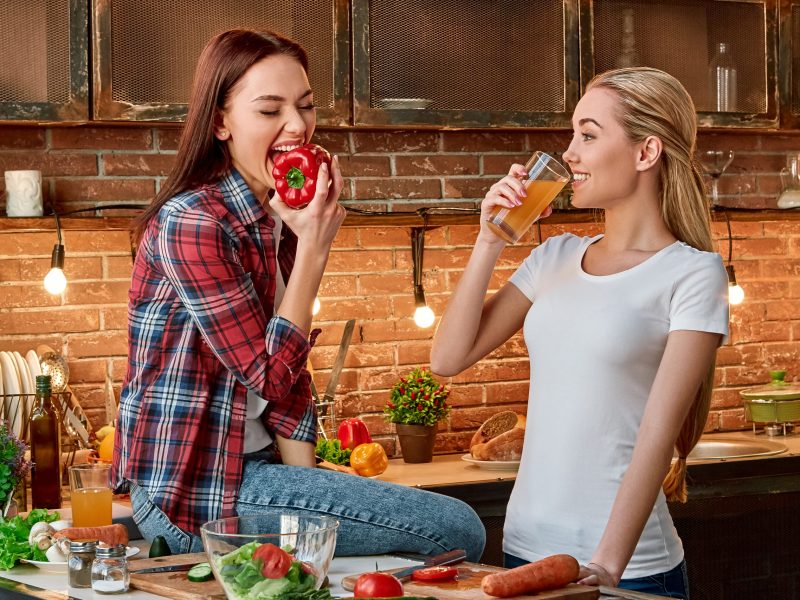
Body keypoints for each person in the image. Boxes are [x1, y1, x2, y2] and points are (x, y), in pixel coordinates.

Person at [113, 28, 485, 561]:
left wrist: (315, 503)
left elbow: (287, 389)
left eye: (305, 106)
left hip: (256, 472)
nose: (297, 126)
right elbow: (267, 372)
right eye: (270, 111)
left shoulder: (275, 216)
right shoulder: (192, 222)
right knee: (456, 528)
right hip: (196, 494)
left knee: (407, 544)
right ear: (220, 122)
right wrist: (315, 244)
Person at [431, 67, 729, 598]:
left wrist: (607, 565)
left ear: (646, 153)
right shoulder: (554, 256)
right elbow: (448, 358)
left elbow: (655, 440)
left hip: (625, 566)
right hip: (525, 550)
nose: (569, 153)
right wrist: (489, 240)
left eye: (588, 135)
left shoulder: (692, 273)